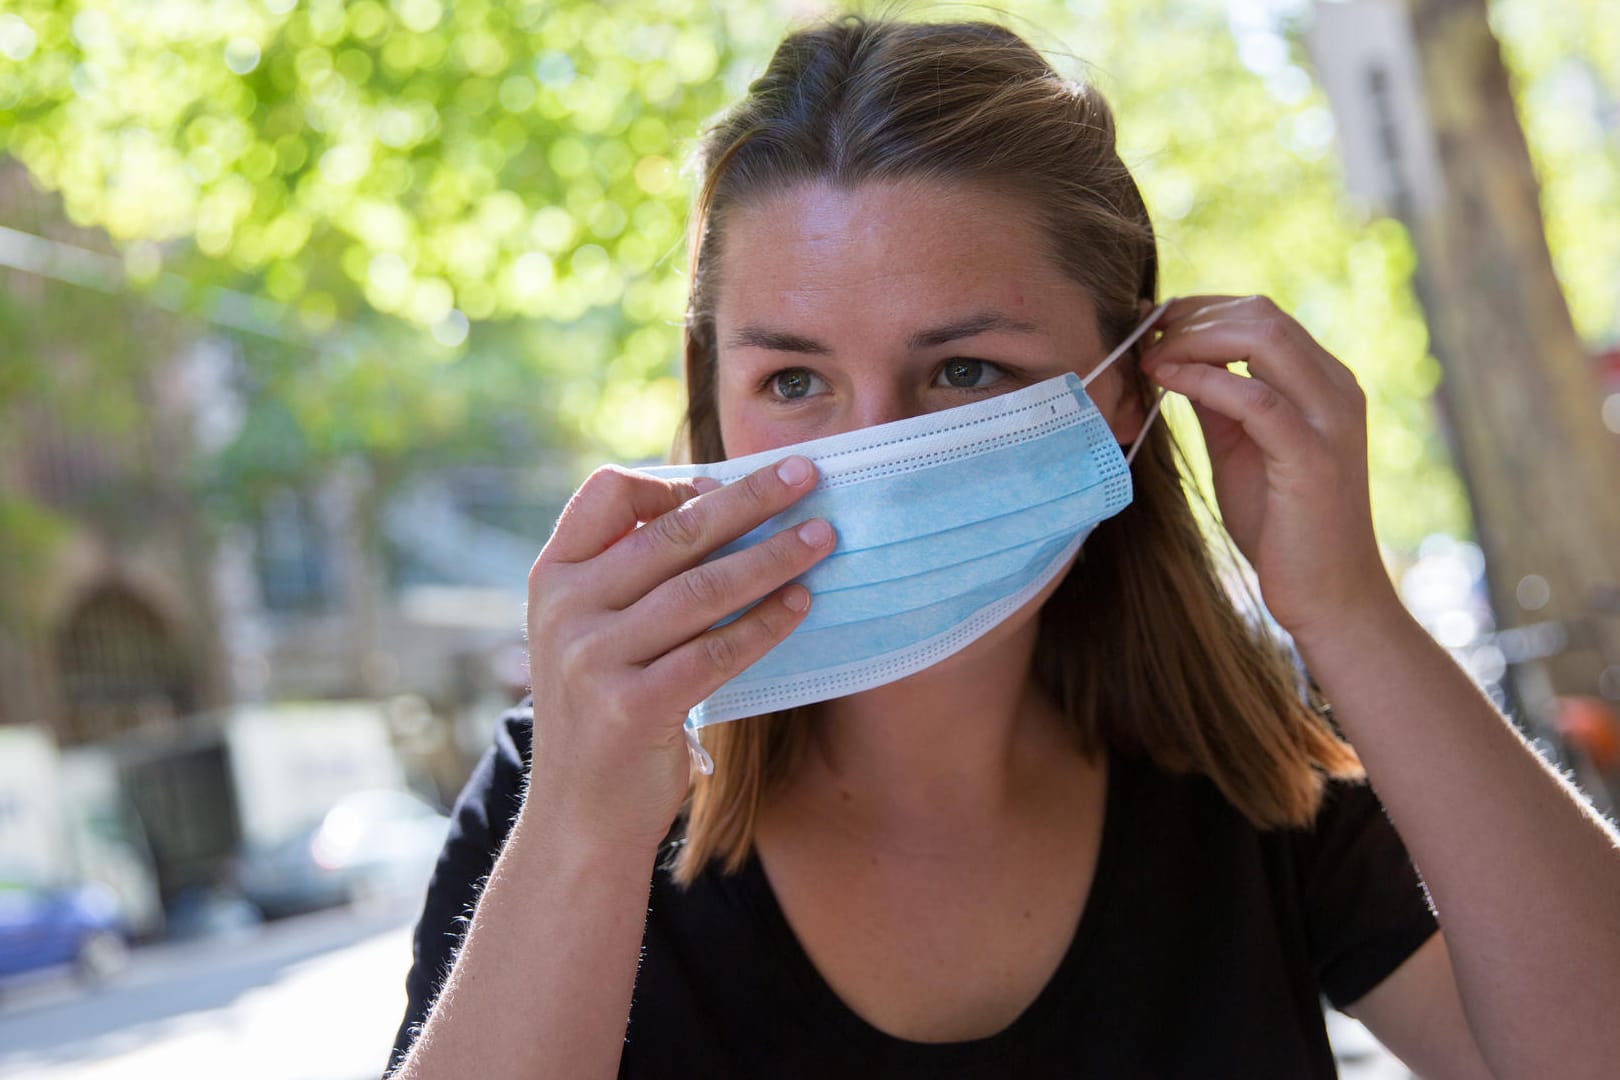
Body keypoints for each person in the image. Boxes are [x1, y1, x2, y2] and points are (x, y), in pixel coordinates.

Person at [387, 17, 1620, 1079]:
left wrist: (1353, 615)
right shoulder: (575, 784)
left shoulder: (1256, 766)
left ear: (1127, 397)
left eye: (964, 371)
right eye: (795, 378)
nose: (874, 447)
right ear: (712, 406)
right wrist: (583, 827)